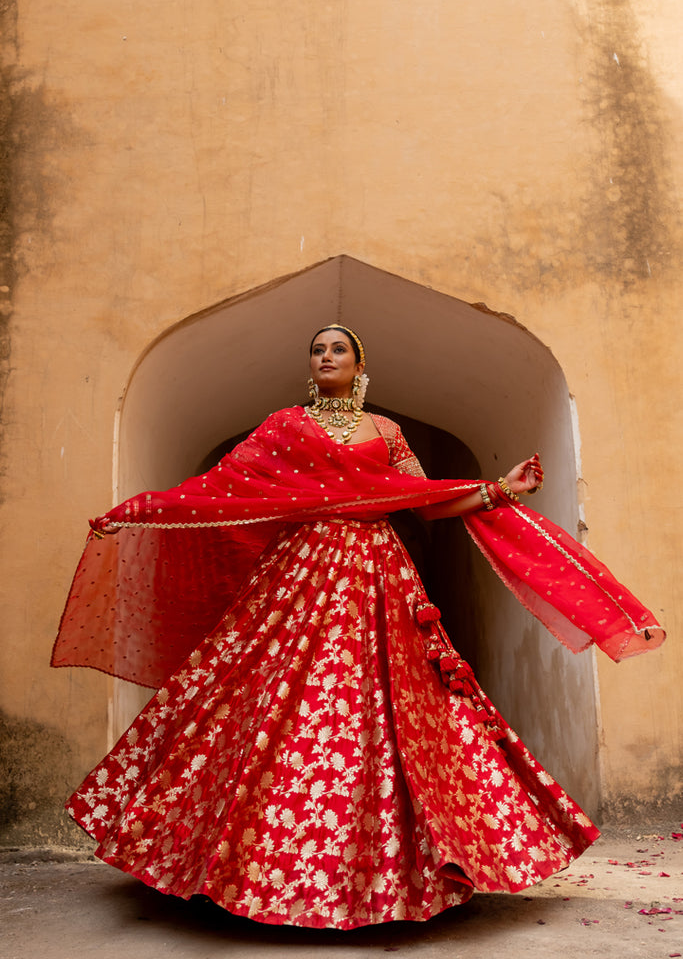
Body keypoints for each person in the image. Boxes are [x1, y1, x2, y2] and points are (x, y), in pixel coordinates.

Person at [52, 324, 664, 930]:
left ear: (358, 364)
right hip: (299, 575)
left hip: (377, 579)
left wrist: (497, 490)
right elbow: (222, 489)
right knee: (268, 700)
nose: (326, 356)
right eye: (317, 349)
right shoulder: (284, 427)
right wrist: (140, 509)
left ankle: (393, 871)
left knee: (389, 710)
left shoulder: (386, 431)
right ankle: (246, 864)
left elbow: (422, 498)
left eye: (337, 349)